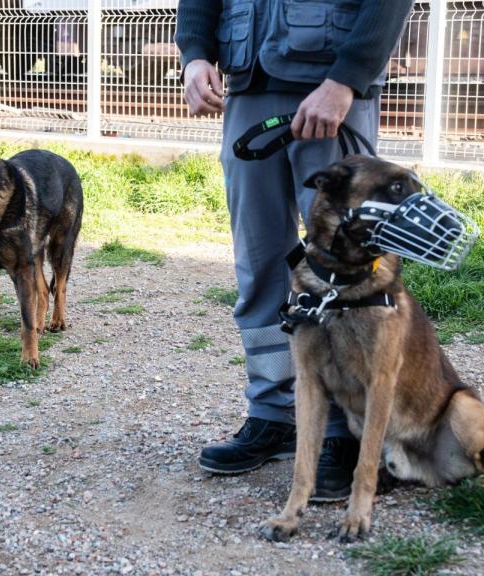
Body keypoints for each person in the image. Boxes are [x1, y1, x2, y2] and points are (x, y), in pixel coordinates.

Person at [176, 0, 413, 500]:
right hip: (249, 88)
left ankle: (344, 431)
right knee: (259, 265)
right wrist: (195, 54)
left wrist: (348, 78)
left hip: (329, 90)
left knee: (345, 269)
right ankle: (272, 414)